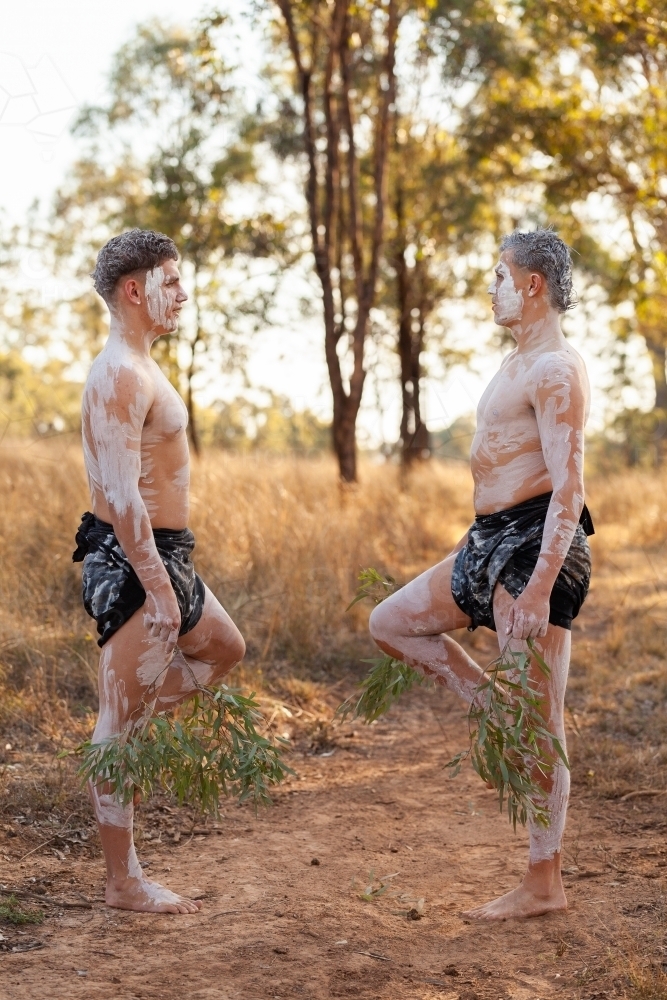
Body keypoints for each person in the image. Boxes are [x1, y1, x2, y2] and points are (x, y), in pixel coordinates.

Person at [368, 228, 593, 920]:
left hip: (533, 548)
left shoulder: (555, 367)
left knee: (540, 721)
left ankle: (541, 882)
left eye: (500, 274)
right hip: (485, 540)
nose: (491, 286)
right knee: (391, 622)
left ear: (532, 285)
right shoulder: (514, 361)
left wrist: (535, 586)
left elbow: (569, 487)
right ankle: (492, 708)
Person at [73, 229, 246, 914]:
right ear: (133, 290)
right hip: (133, 557)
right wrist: (155, 586)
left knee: (225, 648)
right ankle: (124, 881)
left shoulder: (141, 366)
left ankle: (123, 755)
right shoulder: (117, 372)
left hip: (167, 554)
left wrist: (168, 577)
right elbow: (121, 499)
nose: (182, 293)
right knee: (115, 720)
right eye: (170, 281)